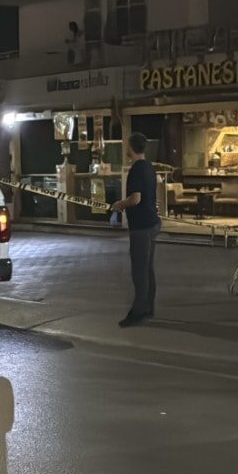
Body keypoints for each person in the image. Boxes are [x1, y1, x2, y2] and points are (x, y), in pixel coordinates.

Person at [108, 131, 160, 327]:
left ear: (130, 148)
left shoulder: (136, 169)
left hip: (141, 226)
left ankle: (138, 312)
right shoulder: (149, 167)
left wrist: (119, 205)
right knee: (148, 269)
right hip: (152, 223)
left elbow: (135, 198)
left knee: (139, 271)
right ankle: (149, 307)